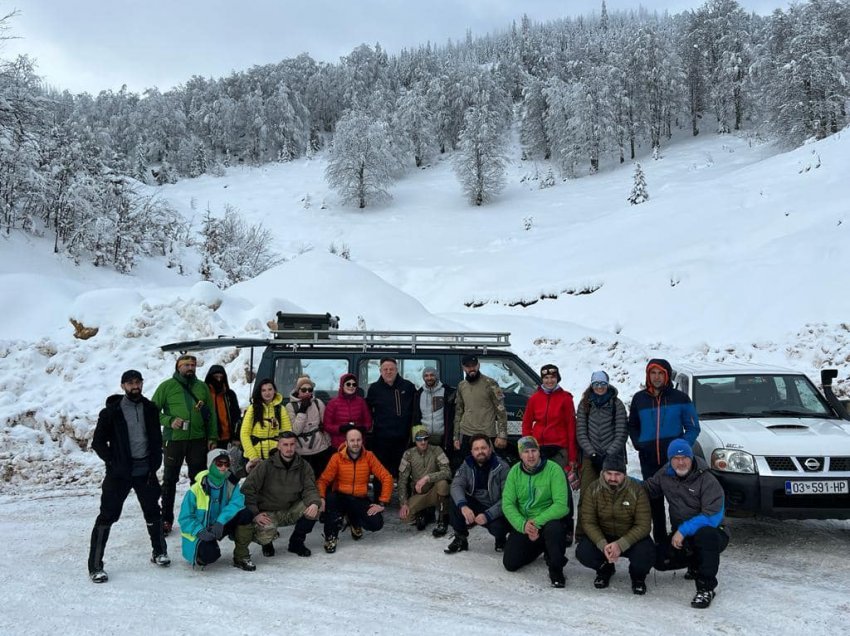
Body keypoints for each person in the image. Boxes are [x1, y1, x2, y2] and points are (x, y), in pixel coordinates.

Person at [88, 369, 170, 583]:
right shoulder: (111, 412)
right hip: (119, 474)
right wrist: (113, 462)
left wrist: (156, 460)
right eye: (130, 383)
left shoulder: (150, 408)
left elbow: (155, 438)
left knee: (153, 512)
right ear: (123, 386)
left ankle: (159, 552)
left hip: (146, 472)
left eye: (138, 382)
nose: (135, 386)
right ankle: (96, 565)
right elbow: (98, 442)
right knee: (107, 516)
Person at [644, 439, 729, 609]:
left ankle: (706, 587)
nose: (681, 462)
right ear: (670, 460)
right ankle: (695, 563)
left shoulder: (707, 480)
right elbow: (647, 488)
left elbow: (712, 517)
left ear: (692, 458)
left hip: (713, 532)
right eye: (676, 458)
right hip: (683, 536)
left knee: (706, 535)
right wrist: (623, 480)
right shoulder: (665, 474)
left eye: (685, 458)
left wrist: (683, 530)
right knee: (660, 560)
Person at [628, 358, 700, 543]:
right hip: (649, 458)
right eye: (653, 373)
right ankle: (660, 542)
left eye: (661, 373)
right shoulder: (639, 398)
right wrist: (639, 443)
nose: (657, 377)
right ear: (648, 375)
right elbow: (633, 425)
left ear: (667, 375)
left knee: (678, 503)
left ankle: (679, 541)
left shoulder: (681, 398)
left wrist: (681, 451)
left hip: (674, 462)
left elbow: (693, 428)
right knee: (654, 502)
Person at [152, 354, 218, 535]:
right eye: (186, 365)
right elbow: (152, 411)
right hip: (173, 440)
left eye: (193, 365)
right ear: (178, 366)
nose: (190, 368)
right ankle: (166, 519)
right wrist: (169, 420)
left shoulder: (202, 387)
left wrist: (212, 436)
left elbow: (211, 413)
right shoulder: (166, 386)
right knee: (169, 480)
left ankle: (198, 516)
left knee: (198, 480)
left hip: (198, 439)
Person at [575, 455, 654, 595]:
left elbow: (643, 525)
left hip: (629, 537)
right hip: (604, 536)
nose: (613, 478)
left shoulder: (637, 490)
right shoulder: (593, 489)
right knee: (583, 551)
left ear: (624, 474)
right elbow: (588, 521)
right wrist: (602, 544)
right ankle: (605, 568)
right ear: (602, 473)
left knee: (646, 553)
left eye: (617, 474)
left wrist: (621, 544)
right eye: (609, 473)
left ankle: (638, 578)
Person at [237, 431, 321, 560]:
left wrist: (314, 503)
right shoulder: (265, 466)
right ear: (279, 446)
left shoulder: (303, 466)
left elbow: (310, 488)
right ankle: (267, 543)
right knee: (264, 535)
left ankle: (296, 542)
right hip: (268, 512)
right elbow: (248, 490)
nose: (289, 448)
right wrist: (255, 513)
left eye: (292, 444)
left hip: (291, 509)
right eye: (285, 444)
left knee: (316, 507)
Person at [501, 436, 569, 588]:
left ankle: (556, 568)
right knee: (510, 564)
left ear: (539, 452)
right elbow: (507, 503)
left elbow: (561, 505)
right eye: (526, 452)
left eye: (534, 451)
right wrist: (523, 525)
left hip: (548, 521)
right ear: (520, 455)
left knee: (554, 529)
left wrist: (536, 522)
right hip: (525, 523)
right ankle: (540, 546)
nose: (530, 455)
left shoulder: (553, 469)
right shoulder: (514, 472)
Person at [521, 363, 578, 543]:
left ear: (557, 378)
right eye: (546, 378)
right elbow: (526, 423)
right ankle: (539, 522)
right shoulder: (534, 398)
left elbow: (571, 428)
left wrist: (572, 457)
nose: (549, 380)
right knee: (540, 485)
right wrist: (527, 446)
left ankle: (567, 527)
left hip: (558, 448)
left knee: (561, 487)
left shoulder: (565, 398)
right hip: (539, 448)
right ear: (542, 379)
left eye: (552, 377)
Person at [317, 425, 394, 553]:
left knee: (376, 523)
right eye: (352, 440)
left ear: (362, 441)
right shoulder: (337, 458)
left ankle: (354, 520)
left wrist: (382, 502)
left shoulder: (369, 456)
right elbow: (323, 480)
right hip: (340, 496)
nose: (356, 443)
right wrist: (321, 498)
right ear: (346, 442)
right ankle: (331, 536)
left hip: (359, 498)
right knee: (331, 504)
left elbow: (387, 477)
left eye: (358, 440)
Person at [178, 449, 256, 571]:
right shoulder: (196, 489)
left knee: (246, 514)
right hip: (203, 529)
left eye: (226, 464)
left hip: (220, 525)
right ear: (210, 464)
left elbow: (237, 503)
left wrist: (221, 521)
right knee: (209, 556)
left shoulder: (231, 483)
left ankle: (241, 556)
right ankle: (201, 552)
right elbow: (185, 518)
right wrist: (199, 531)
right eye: (219, 463)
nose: (223, 467)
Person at [575, 370, 628, 536]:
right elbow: (581, 432)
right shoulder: (585, 404)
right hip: (591, 456)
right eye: (596, 384)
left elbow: (621, 432)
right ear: (592, 385)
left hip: (613, 457)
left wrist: (609, 454)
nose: (599, 387)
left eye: (603, 384)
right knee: (587, 495)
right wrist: (592, 453)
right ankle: (582, 533)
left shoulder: (616, 404)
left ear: (608, 384)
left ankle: (615, 532)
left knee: (614, 494)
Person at [444, 434, 510, 555]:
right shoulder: (467, 464)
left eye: (483, 448)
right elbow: (456, 485)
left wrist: (487, 515)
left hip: (494, 507)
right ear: (472, 451)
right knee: (456, 499)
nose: (480, 451)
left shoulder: (502, 467)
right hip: (475, 503)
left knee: (499, 528)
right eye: (476, 449)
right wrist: (463, 506)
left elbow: (507, 499)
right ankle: (460, 538)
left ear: (490, 449)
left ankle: (500, 540)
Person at [366, 357, 416, 500]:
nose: (388, 372)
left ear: (396, 369)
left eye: (391, 369)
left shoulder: (408, 386)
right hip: (382, 439)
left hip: (403, 438)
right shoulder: (374, 389)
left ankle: (404, 500)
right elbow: (368, 411)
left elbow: (415, 411)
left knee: (404, 470)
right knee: (380, 471)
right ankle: (380, 499)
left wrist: (413, 434)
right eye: (385, 369)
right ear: (380, 371)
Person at [398, 427, 452, 536]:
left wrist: (428, 477)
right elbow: (402, 481)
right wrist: (403, 503)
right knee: (406, 518)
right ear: (415, 440)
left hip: (435, 491)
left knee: (443, 484)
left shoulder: (437, 450)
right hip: (420, 493)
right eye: (419, 439)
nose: (423, 442)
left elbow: (448, 472)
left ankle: (443, 520)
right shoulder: (408, 454)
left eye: (425, 438)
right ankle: (426, 513)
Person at [453, 355, 508, 460]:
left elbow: (501, 411)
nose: (471, 368)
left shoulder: (491, 384)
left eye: (474, 365)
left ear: (478, 365)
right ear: (463, 368)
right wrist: (456, 437)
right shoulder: (461, 386)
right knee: (468, 467)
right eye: (468, 366)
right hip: (466, 434)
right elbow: (458, 411)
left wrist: (502, 435)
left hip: (487, 434)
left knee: (488, 466)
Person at [284, 375, 333, 478]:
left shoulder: (318, 403)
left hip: (319, 447)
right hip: (301, 449)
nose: (307, 392)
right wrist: (302, 410)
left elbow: (324, 424)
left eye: (310, 389)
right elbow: (295, 431)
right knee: (303, 479)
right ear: (298, 390)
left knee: (320, 477)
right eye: (304, 389)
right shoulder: (290, 406)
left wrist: (328, 444)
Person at [240, 378, 292, 472]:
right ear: (260, 392)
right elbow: (244, 434)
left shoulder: (281, 409)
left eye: (270, 389)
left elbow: (287, 433)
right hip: (255, 456)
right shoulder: (253, 409)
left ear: (274, 391)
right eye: (263, 390)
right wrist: (253, 456)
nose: (267, 393)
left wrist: (283, 453)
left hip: (275, 455)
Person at [412, 366, 456, 455]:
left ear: (436, 376)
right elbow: (416, 417)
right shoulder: (419, 394)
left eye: (432, 375)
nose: (429, 378)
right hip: (424, 439)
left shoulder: (448, 392)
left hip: (443, 439)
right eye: (426, 375)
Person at [324, 373, 372, 448]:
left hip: (358, 445)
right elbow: (327, 426)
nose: (351, 386)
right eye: (348, 384)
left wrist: (363, 428)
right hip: (339, 445)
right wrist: (340, 428)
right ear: (342, 386)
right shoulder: (333, 403)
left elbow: (368, 422)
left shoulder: (361, 402)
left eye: (354, 384)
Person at [204, 364, 242, 451]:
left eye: (221, 377)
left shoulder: (229, 395)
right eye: (216, 377)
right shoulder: (204, 394)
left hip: (227, 438)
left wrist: (236, 436)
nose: (218, 380)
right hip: (207, 439)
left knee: (225, 463)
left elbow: (236, 415)